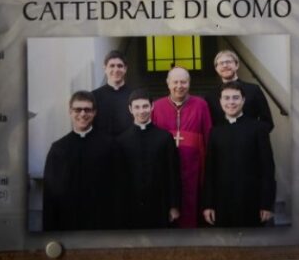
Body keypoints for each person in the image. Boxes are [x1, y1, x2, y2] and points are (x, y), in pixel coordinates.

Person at [202, 81, 276, 228]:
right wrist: (208, 204)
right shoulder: (215, 132)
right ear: (220, 101)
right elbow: (210, 172)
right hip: (222, 203)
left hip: (251, 202)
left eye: (235, 98)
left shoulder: (258, 129)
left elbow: (267, 170)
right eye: (227, 98)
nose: (231, 102)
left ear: (243, 100)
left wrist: (266, 205)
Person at [42, 91, 119, 231]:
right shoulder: (58, 149)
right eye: (78, 109)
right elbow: (50, 194)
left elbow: (117, 189)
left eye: (87, 109)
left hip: (101, 223)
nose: (83, 114)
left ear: (94, 112)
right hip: (67, 223)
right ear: (70, 112)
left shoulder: (109, 145)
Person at [152, 67, 212, 228]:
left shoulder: (201, 105)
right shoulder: (156, 107)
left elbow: (208, 137)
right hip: (166, 166)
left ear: (189, 83)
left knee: (191, 205)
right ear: (168, 83)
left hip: (193, 166)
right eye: (175, 82)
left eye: (183, 82)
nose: (179, 85)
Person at [116, 90, 181, 229]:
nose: (141, 111)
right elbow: (119, 178)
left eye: (145, 106)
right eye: (137, 107)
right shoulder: (121, 141)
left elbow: (173, 173)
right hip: (131, 205)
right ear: (130, 109)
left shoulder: (165, 137)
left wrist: (174, 206)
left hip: (160, 204)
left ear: (152, 107)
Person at [204, 50, 274, 132]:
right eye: (221, 63)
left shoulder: (254, 90)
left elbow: (267, 122)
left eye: (228, 62)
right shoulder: (210, 95)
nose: (225, 65)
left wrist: (255, 137)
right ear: (216, 69)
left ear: (237, 65)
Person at [90, 50, 134, 137]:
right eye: (112, 66)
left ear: (125, 69)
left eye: (120, 66)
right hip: (102, 147)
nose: (116, 69)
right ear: (105, 68)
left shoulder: (134, 95)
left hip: (128, 147)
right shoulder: (93, 96)